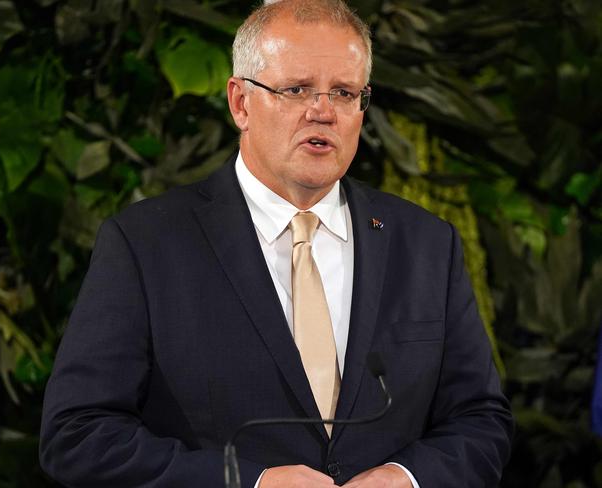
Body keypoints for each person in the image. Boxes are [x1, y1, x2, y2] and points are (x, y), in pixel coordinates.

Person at [39, 1, 513, 487]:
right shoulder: (146, 244)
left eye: (345, 93)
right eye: (297, 89)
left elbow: (480, 421)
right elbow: (77, 435)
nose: (323, 111)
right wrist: (250, 483)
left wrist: (407, 477)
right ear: (241, 102)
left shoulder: (427, 243)